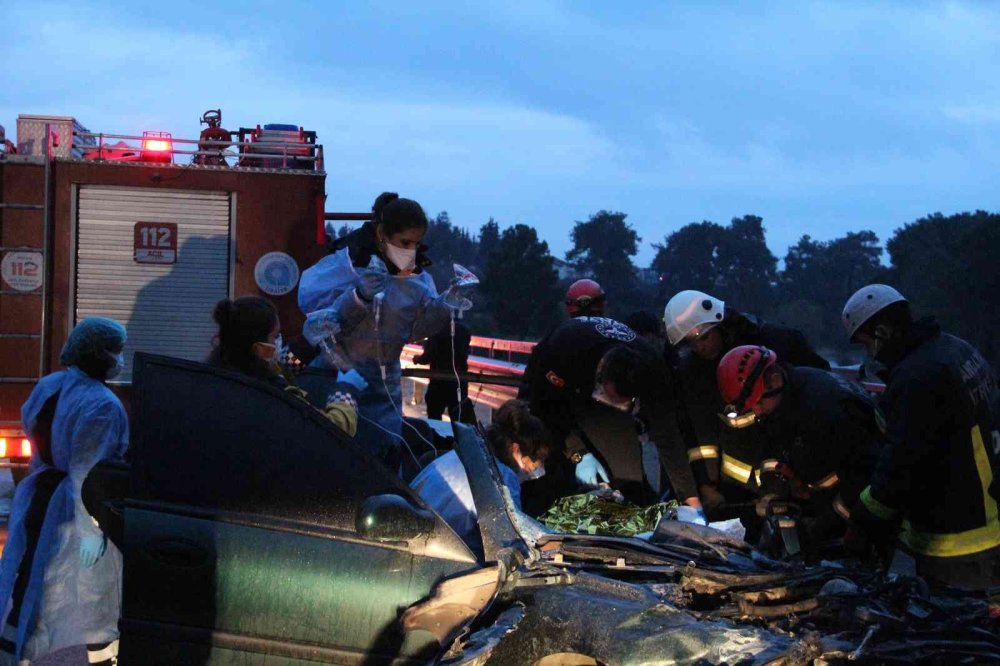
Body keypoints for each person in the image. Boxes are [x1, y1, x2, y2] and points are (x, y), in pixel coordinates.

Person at [841, 284, 1000, 590]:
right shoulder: (955, 349)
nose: (869, 353)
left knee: (956, 630)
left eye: (866, 343)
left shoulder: (917, 377)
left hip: (959, 539)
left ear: (883, 332)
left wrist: (863, 520)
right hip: (989, 517)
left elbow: (900, 464)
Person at [0, 318, 129, 665]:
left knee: (29, 577)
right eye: (115, 352)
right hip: (74, 507)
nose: (119, 359)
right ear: (99, 354)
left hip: (40, 494)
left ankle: (14, 651)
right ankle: (99, 658)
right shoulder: (102, 404)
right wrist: (93, 529)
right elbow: (88, 472)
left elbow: (33, 427)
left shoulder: (50, 385)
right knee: (91, 593)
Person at [297, 192, 454, 467]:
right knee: (337, 452)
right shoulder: (349, 265)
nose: (410, 250)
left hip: (385, 387)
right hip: (340, 376)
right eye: (405, 242)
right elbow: (323, 318)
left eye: (416, 244)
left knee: (384, 459)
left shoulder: (417, 278)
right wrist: (358, 296)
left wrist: (445, 305)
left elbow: (415, 328)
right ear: (382, 233)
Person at [662, 290, 830, 519]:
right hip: (739, 489)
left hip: (793, 472)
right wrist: (705, 485)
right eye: (690, 344)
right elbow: (698, 430)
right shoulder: (692, 372)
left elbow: (817, 396)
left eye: (703, 337)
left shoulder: (778, 342)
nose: (699, 348)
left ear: (720, 323)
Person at [518, 316, 702, 516]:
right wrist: (577, 453)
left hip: (605, 388)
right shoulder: (563, 352)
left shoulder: (654, 370)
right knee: (554, 469)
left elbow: (668, 436)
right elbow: (547, 409)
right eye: (612, 397)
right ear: (601, 375)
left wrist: (690, 500)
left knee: (628, 476)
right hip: (553, 385)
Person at [716, 345, 883, 555]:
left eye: (758, 402)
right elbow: (773, 446)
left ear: (775, 380)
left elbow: (866, 480)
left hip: (862, 510)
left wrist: (824, 525)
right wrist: (773, 490)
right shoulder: (785, 395)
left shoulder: (827, 411)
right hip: (828, 498)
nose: (756, 412)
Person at [410, 400, 550, 555]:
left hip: (419, 542)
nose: (527, 474)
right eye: (529, 466)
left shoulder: (457, 456)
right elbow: (509, 541)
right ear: (515, 448)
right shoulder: (502, 478)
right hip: (440, 555)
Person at [208, 296, 362, 436]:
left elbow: (281, 369)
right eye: (275, 336)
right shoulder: (275, 397)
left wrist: (306, 343)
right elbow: (332, 429)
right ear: (259, 348)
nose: (279, 341)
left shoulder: (222, 371)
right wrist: (345, 394)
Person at [412, 320, 475, 422]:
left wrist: (417, 359)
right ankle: (457, 436)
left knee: (434, 416)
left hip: (439, 381)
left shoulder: (435, 330)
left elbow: (428, 356)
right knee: (458, 418)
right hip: (459, 381)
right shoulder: (465, 330)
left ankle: (437, 436)